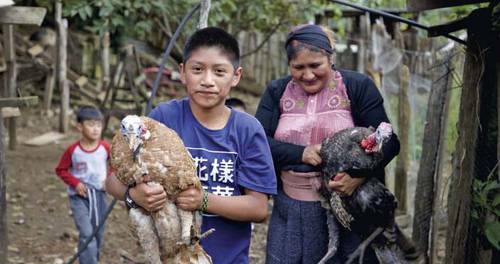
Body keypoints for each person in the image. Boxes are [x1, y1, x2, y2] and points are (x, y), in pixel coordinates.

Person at [105, 27, 277, 264]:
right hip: (170, 257)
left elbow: (258, 208)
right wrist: (134, 195)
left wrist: (204, 200)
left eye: (219, 71)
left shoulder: (247, 130)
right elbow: (113, 180)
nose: (207, 81)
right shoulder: (163, 119)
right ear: (183, 72)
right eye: (198, 70)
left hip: (228, 258)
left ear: (236, 76)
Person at [255, 24, 400, 264]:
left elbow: (389, 141)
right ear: (289, 65)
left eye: (315, 65)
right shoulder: (277, 91)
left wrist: (357, 176)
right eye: (298, 67)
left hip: (348, 207)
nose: (308, 75)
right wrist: (301, 153)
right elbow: (257, 143)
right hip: (291, 207)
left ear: (330, 58)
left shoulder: (356, 87)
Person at [55, 106, 110, 264]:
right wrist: (76, 183)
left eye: (98, 125)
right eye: (91, 124)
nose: (95, 129)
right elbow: (61, 169)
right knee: (87, 233)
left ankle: (93, 259)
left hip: (99, 196)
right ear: (80, 126)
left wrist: (110, 180)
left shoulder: (105, 148)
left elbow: (114, 164)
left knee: (98, 233)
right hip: (79, 198)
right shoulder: (73, 151)